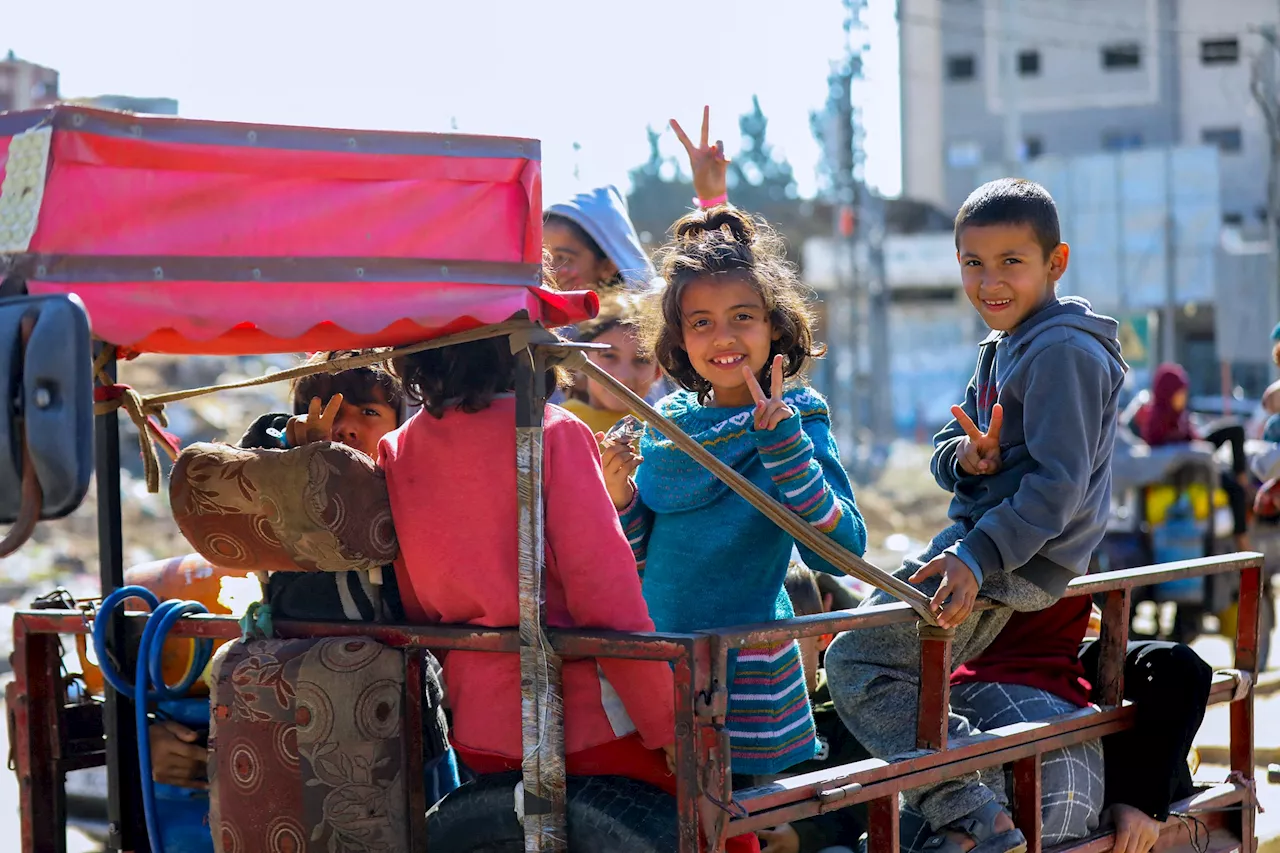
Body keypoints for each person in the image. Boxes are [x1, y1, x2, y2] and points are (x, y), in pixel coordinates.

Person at [825, 177, 1127, 853]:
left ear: (1056, 262)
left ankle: (972, 807)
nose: (989, 281)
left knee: (854, 660)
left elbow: (1059, 486)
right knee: (862, 636)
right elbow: (947, 443)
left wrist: (976, 556)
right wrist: (965, 456)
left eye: (1011, 262)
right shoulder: (1005, 344)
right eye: (973, 263)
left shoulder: (1063, 351)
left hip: (1010, 560)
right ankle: (950, 808)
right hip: (982, 547)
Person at [378, 333, 760, 853]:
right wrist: (666, 726)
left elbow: (419, 602)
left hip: (478, 729)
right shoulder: (554, 432)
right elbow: (605, 599)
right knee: (728, 838)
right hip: (585, 725)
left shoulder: (397, 448)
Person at [600, 205, 868, 778]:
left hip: (742, 675)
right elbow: (644, 554)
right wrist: (620, 496)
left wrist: (786, 449)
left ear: (775, 325)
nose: (723, 338)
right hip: (657, 666)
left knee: (729, 826)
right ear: (679, 338)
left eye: (742, 316)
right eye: (701, 322)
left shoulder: (797, 417)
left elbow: (841, 549)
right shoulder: (666, 423)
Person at [150, 350, 437, 788]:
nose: (347, 425)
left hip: (400, 698)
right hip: (298, 687)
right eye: (330, 410)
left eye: (370, 412)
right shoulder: (277, 466)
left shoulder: (409, 485)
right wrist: (298, 455)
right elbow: (251, 463)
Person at [756, 565, 871, 853]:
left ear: (822, 637)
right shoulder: (737, 713)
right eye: (753, 647)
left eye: (785, 645)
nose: (771, 659)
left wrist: (802, 836)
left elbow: (860, 806)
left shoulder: (842, 709)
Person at [1138, 362, 1252, 552]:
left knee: (1236, 429)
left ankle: (1242, 478)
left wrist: (1196, 444)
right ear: (1168, 392)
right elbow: (1162, 455)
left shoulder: (1180, 415)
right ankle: (1242, 541)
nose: (1183, 397)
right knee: (1235, 490)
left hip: (1198, 451)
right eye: (1179, 392)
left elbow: (1191, 436)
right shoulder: (1156, 420)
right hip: (1189, 468)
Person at [561, 290, 662, 438]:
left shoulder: (661, 435)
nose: (623, 377)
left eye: (642, 359)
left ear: (658, 371)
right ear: (582, 359)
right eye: (609, 356)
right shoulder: (557, 426)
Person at [544, 185, 657, 292]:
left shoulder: (651, 311)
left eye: (562, 257)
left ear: (608, 267)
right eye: (543, 257)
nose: (545, 271)